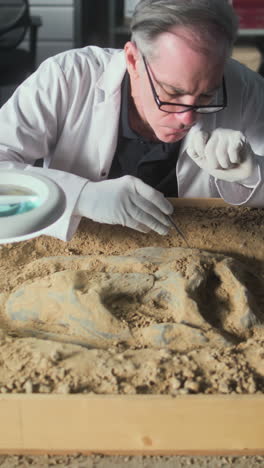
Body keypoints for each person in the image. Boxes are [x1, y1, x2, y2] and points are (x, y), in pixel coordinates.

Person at [0, 0, 264, 242]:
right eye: (171, 92)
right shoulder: (66, 78)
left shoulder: (246, 88)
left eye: (207, 94)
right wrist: (81, 196)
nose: (188, 118)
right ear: (132, 60)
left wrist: (253, 174)